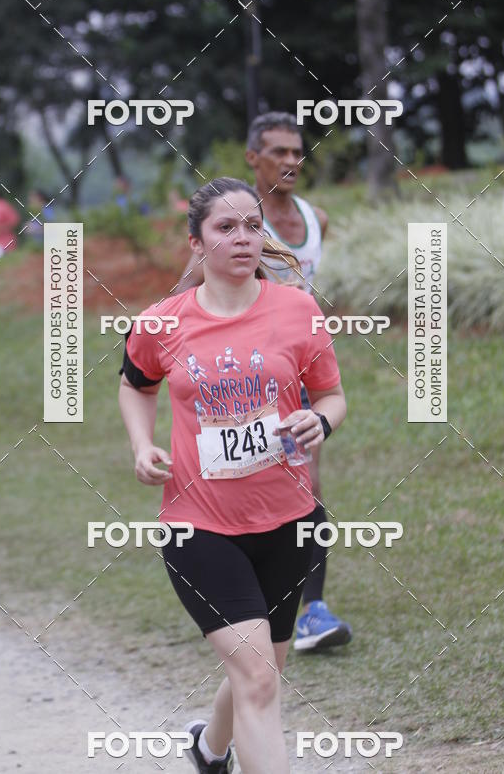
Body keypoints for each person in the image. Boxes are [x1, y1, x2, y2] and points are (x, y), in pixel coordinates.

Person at [118, 177, 347, 773]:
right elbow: (135, 385)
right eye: (226, 227)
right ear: (197, 243)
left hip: (289, 522)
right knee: (257, 678)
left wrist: (319, 423)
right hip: (199, 527)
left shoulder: (298, 308)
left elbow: (332, 396)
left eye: (252, 225)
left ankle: (208, 748)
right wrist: (142, 445)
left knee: (260, 672)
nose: (243, 238)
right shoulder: (162, 322)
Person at [178, 111, 352, 652]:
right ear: (252, 159)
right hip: (237, 377)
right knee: (247, 476)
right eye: (277, 151)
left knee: (309, 485)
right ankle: (245, 600)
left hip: (294, 368)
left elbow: (315, 288)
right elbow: (189, 287)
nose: (290, 161)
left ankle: (310, 610)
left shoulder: (315, 217)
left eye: (297, 151)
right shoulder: (234, 222)